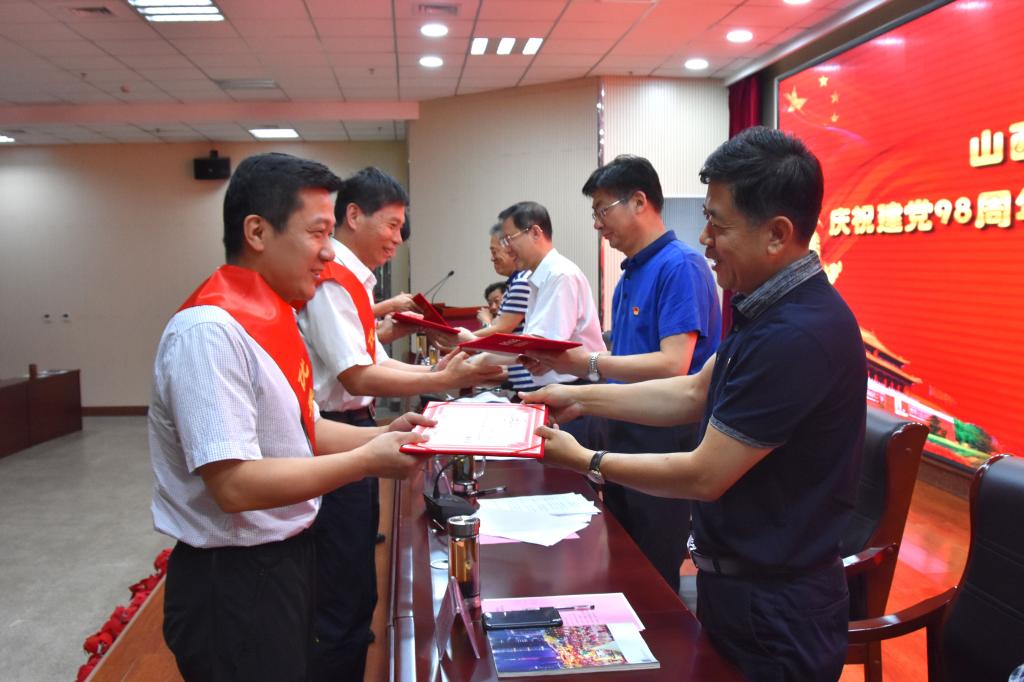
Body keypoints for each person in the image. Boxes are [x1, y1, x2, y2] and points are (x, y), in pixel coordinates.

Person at [523, 127, 867, 681]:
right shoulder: (767, 310)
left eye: (719, 224)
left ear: (777, 234)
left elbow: (705, 474)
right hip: (739, 588)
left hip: (776, 608)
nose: (704, 237)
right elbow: (692, 391)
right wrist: (577, 397)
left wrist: (585, 459)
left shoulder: (797, 333)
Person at [149, 152, 431, 682]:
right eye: (317, 233)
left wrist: (382, 434)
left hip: (284, 555)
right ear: (257, 231)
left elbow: (305, 430)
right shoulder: (211, 331)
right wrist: (367, 460)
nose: (328, 252)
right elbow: (234, 484)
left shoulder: (275, 313)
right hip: (234, 577)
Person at [295, 167, 500, 681]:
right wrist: (442, 376)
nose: (397, 237)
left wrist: (437, 373)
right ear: (353, 215)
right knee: (341, 576)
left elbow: (375, 361)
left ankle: (347, 646)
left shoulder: (353, 281)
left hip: (352, 420)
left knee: (356, 563)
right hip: (334, 427)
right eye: (390, 224)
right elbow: (356, 373)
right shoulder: (334, 278)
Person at [522, 155, 721, 589]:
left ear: (639, 202)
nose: (597, 223)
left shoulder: (679, 266)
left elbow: (672, 365)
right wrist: (575, 380)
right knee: (623, 563)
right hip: (625, 435)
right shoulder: (631, 273)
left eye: (602, 209)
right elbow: (627, 361)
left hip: (664, 440)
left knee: (653, 573)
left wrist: (586, 364)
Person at [497, 201, 606, 388]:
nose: (506, 249)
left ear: (535, 232)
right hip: (563, 387)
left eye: (509, 239)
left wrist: (472, 346)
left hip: (577, 388)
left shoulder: (559, 275)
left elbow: (542, 344)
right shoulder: (540, 277)